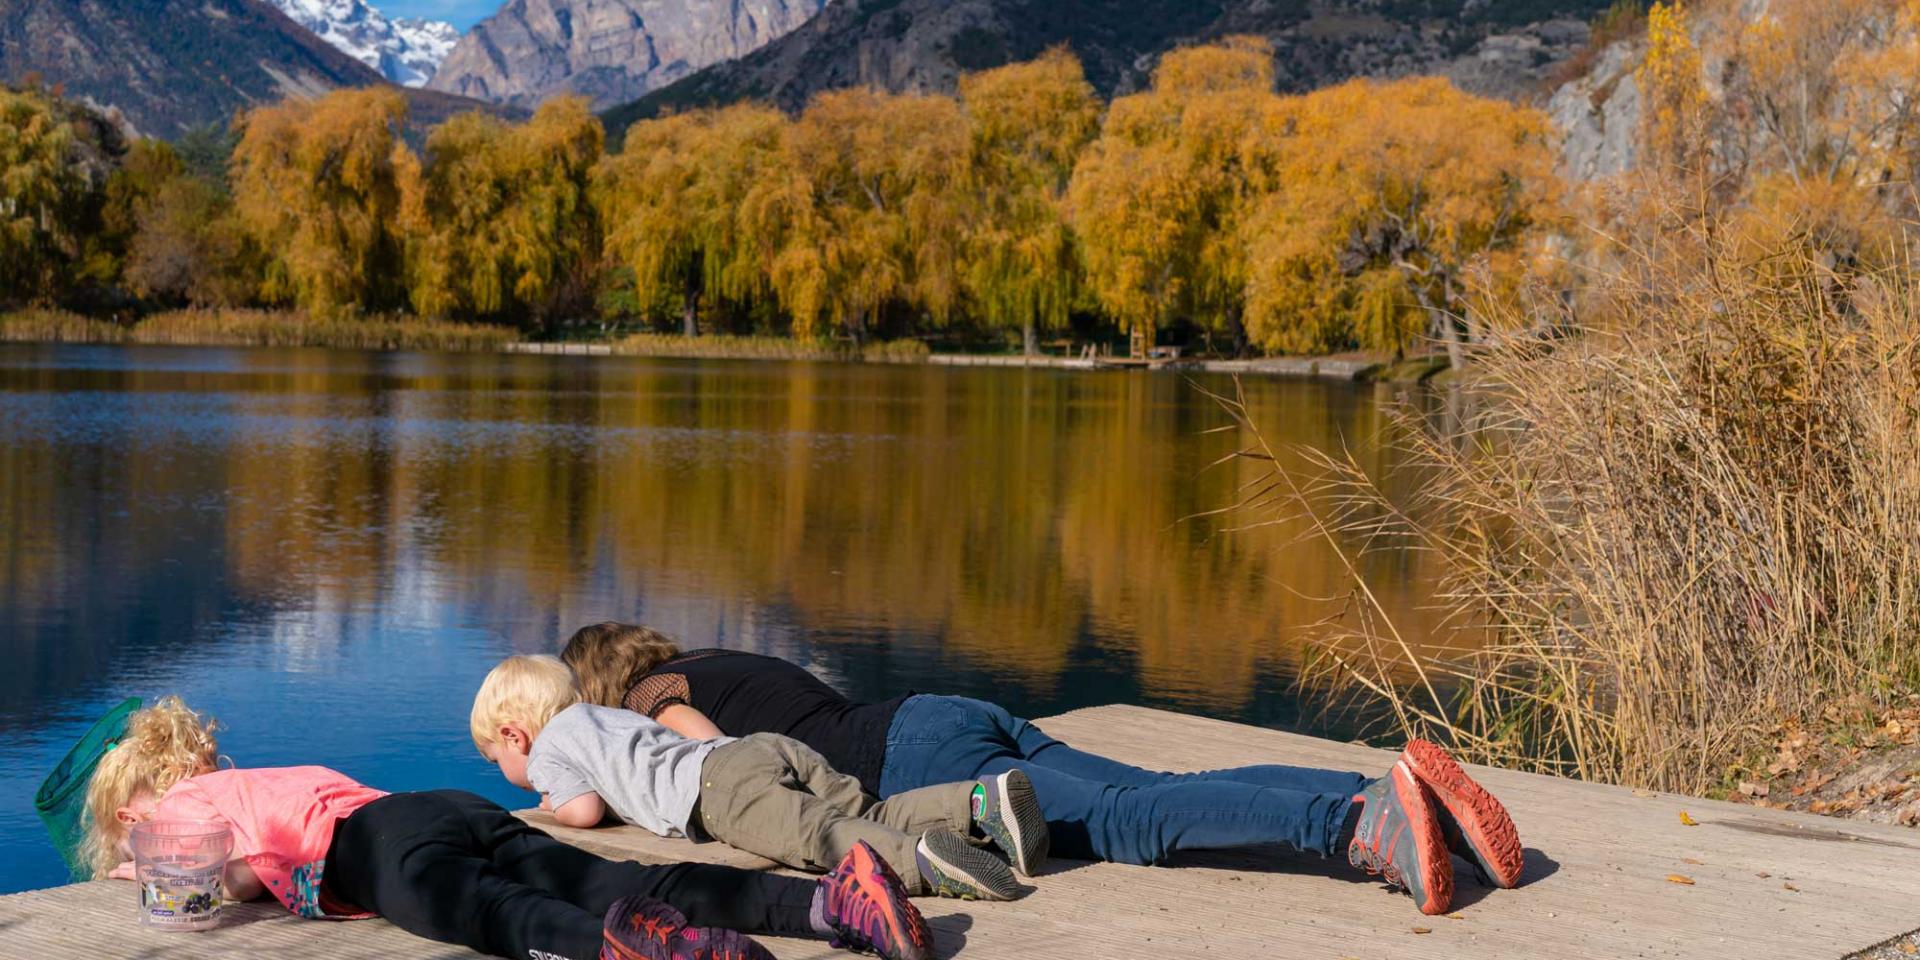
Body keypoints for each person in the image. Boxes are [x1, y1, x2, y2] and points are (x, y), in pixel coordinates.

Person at [562, 623, 1529, 917]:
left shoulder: (656, 695)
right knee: (1153, 793)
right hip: (938, 713)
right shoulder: (738, 660)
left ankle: (1360, 833)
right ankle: (1380, 794)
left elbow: (708, 755)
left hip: (914, 759)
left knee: (1130, 823)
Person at [84, 695, 935, 960]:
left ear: (133, 809)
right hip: (443, 808)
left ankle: (639, 952)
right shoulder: (258, 780)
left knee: (494, 915)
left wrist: (145, 874)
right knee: (625, 880)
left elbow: (210, 880)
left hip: (375, 851)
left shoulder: (173, 814)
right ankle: (833, 902)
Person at [472, 655, 1048, 903]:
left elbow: (583, 811)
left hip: (720, 792)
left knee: (818, 837)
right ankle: (975, 803)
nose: (510, 773)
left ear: (515, 735)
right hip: (756, 750)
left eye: (498, 760)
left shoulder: (549, 747)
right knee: (859, 809)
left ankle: (921, 863)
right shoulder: (607, 714)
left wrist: (550, 804)